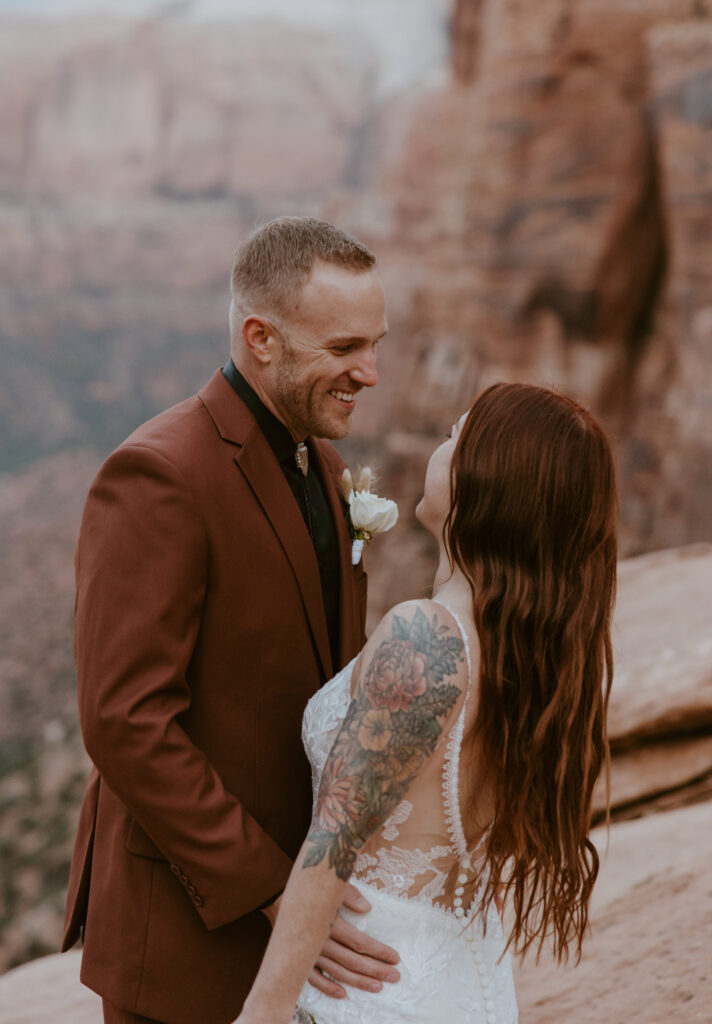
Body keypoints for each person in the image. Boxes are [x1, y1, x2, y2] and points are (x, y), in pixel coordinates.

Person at [62, 217, 402, 1024]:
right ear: (261, 339)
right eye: (345, 347)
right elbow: (124, 722)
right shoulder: (159, 473)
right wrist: (276, 893)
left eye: (377, 343)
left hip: (302, 926)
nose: (372, 372)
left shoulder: (317, 460)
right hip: (190, 937)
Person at [237, 382, 618, 1024]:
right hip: (461, 984)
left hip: (371, 993)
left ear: (485, 479)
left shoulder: (427, 635)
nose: (438, 448)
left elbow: (333, 842)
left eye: (454, 437)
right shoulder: (527, 654)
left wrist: (263, 1011)